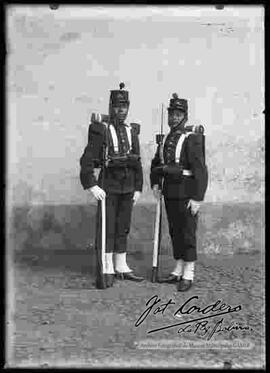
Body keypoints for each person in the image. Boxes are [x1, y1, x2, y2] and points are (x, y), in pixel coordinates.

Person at [80, 83, 144, 288]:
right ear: (110, 107)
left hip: (128, 187)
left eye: (124, 107)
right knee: (106, 228)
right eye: (117, 106)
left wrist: (138, 187)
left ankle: (121, 266)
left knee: (122, 227)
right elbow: (87, 159)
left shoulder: (131, 130)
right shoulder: (101, 129)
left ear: (128, 108)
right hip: (108, 186)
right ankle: (106, 267)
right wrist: (92, 185)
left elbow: (137, 162)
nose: (121, 110)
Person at [150, 93, 208, 291]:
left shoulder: (192, 138)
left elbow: (200, 170)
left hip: (186, 192)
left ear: (185, 116)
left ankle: (189, 272)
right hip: (170, 192)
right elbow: (157, 164)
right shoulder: (165, 138)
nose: (174, 118)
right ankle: (178, 268)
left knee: (188, 232)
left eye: (178, 114)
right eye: (171, 114)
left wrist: (197, 197)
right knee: (175, 231)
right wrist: (156, 184)